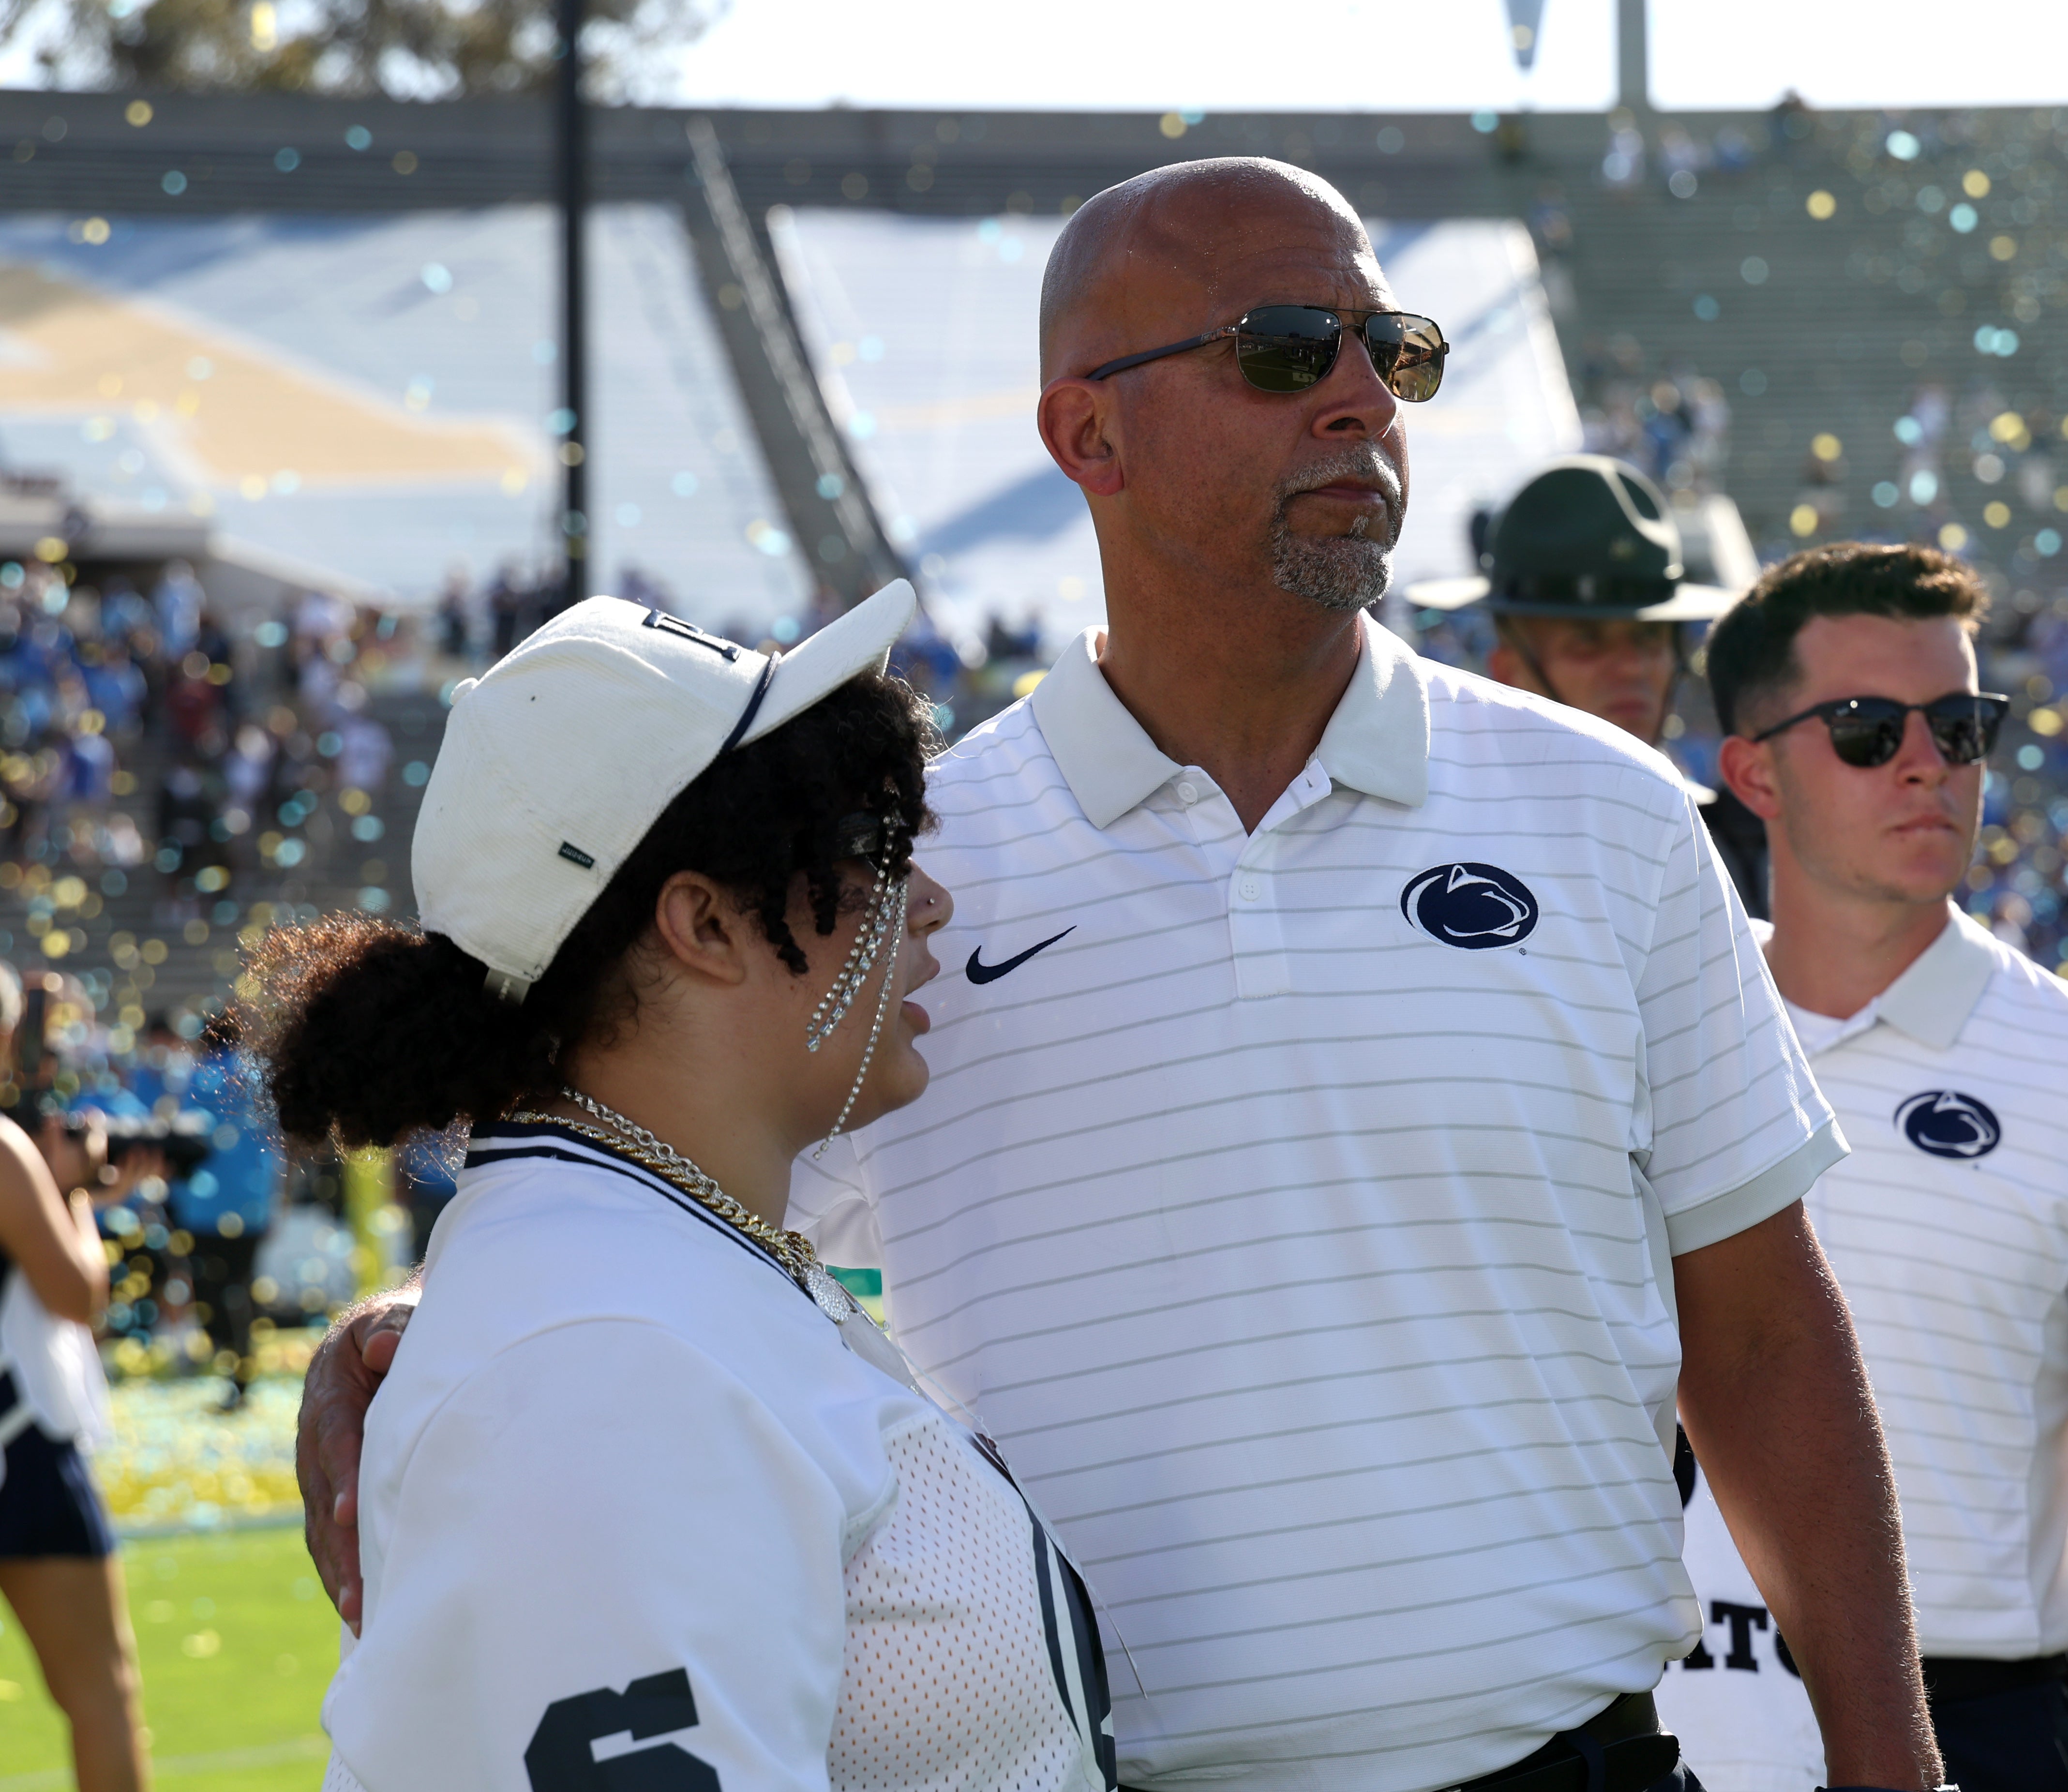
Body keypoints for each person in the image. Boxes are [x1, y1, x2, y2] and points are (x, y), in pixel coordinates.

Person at [301, 157, 1948, 1792]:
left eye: (1398, 350)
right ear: (1085, 433)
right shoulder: (899, 881)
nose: (1366, 399)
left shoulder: (1613, 817)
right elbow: (673, 1204)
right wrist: (435, 1329)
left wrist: (1890, 1757)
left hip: (1574, 1763)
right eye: (1290, 349)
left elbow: (1762, 1335)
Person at [258, 583, 1120, 1791]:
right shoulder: (605, 1350)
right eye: (877, 856)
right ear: (704, 925)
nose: (930, 902)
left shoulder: (645, 1272)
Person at [1652, 542, 2068, 1792]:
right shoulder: (1644, 1035)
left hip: (1981, 1720)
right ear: (1750, 770)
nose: (1928, 762)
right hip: (1669, 1726)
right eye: (1867, 728)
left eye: (1962, 724)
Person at [1409, 454, 1768, 912]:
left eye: (1647, 639)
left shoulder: (1735, 850)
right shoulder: (1447, 857)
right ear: (1509, 671)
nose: (1632, 667)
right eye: (1587, 642)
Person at [0, 964, 150, 1792]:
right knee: (102, 1687)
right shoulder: (4, 1148)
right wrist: (79, 1198)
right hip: (17, 1442)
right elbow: (77, 1295)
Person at [169, 1014, 284, 1411]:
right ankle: (243, 1371)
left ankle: (230, 1364)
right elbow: (275, 1143)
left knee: (212, 1289)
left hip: (204, 1208)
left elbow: (185, 1140)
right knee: (241, 1286)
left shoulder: (198, 1078)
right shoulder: (258, 1077)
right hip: (250, 1204)